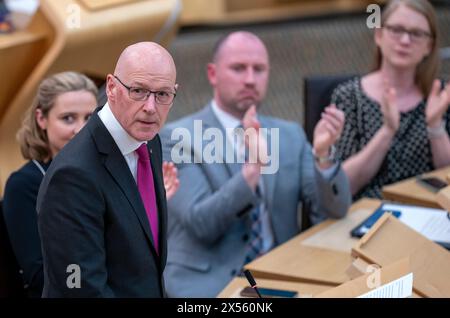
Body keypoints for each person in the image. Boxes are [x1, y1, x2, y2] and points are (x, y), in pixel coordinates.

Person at [160, 31, 351, 297]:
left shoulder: (290, 135)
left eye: (259, 69)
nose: (250, 79)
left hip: (282, 276)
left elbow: (335, 210)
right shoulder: (176, 137)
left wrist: (324, 154)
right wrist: (252, 170)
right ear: (213, 74)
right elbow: (202, 224)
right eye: (238, 68)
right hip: (211, 284)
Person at [36, 42, 177, 297]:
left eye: (163, 94)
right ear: (111, 87)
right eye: (138, 91)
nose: (150, 107)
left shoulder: (149, 139)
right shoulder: (73, 176)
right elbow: (80, 288)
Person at [333, 0, 450, 200]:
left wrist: (435, 126)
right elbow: (341, 187)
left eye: (416, 34)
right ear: (379, 35)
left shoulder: (441, 95)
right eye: (396, 29)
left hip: (429, 212)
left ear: (429, 46)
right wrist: (387, 131)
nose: (405, 40)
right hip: (365, 215)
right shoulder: (349, 96)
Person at [2, 71, 98, 298]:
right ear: (41, 119)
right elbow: (39, 276)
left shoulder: (111, 173)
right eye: (68, 118)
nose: (80, 129)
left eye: (89, 118)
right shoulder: (25, 185)